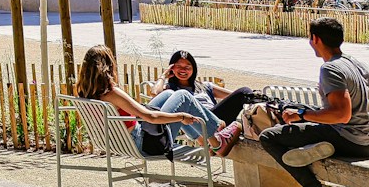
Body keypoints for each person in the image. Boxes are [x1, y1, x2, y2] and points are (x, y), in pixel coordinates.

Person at [257, 17, 369, 187]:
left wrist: (301, 114)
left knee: (269, 137)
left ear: (315, 39)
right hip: (366, 142)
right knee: (306, 134)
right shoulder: (358, 64)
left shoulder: (331, 69)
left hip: (347, 138)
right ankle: (317, 149)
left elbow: (341, 115)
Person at [75, 45, 205, 153]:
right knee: (182, 95)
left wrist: (163, 77)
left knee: (169, 93)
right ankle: (212, 140)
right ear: (109, 66)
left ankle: (204, 139)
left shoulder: (84, 93)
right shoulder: (112, 93)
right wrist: (181, 117)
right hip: (143, 143)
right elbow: (151, 117)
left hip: (118, 141)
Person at [147, 49, 262, 156]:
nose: (183, 70)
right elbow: (155, 93)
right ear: (172, 68)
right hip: (198, 123)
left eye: (187, 67)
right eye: (178, 66)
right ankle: (209, 140)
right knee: (184, 103)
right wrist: (163, 76)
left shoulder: (205, 86)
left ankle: (263, 123)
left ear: (194, 69)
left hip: (216, 118)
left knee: (245, 92)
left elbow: (235, 96)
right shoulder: (171, 90)